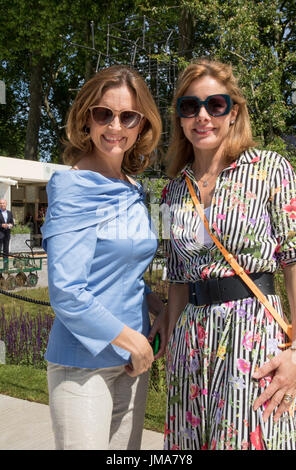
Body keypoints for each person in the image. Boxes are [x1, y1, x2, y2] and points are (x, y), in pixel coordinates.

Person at [155, 58, 296, 450]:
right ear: (180, 117)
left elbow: (295, 260)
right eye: (190, 106)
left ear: (233, 111)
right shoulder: (171, 191)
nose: (202, 116)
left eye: (215, 105)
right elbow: (178, 276)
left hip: (252, 336)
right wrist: (167, 326)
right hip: (191, 344)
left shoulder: (271, 169)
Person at [41, 65, 164, 450]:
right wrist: (134, 341)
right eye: (103, 113)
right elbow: (66, 292)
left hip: (131, 364)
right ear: (86, 119)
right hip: (82, 366)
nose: (115, 126)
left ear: (142, 125)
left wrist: (159, 308)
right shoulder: (73, 186)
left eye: (128, 116)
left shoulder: (133, 189)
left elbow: (127, 273)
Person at [0, 199, 14, 268]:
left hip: (7, 234)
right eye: (0, 203)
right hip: (0, 234)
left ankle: (6, 267)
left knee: (6, 251)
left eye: (3, 203)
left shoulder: (9, 213)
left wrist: (11, 225)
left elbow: (12, 223)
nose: (2, 205)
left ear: (6, 204)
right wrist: (1, 225)